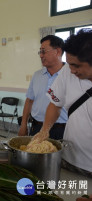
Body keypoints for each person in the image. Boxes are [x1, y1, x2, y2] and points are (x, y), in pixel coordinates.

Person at [33, 28, 92, 178]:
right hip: (68, 158)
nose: (71, 70)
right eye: (69, 64)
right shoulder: (67, 71)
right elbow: (55, 103)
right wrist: (44, 130)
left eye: (76, 66)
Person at [18, 35, 68, 140]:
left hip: (61, 129)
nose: (41, 55)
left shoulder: (71, 74)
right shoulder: (37, 75)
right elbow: (29, 100)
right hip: (36, 127)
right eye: (40, 52)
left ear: (58, 51)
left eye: (44, 51)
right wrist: (23, 125)